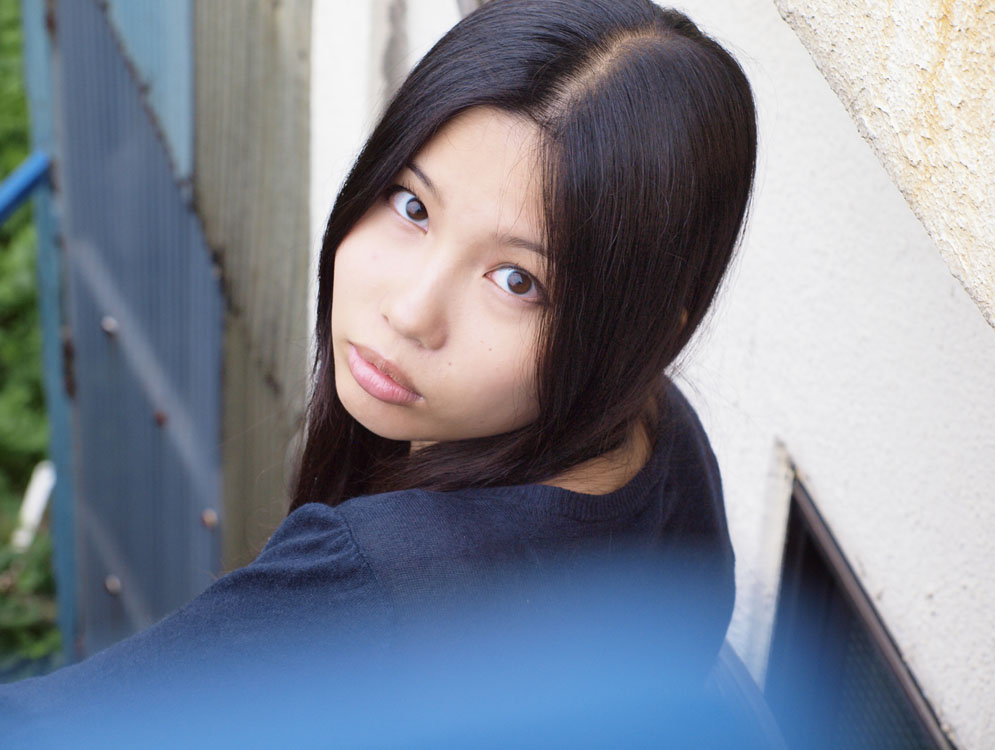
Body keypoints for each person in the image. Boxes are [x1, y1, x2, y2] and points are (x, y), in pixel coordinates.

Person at [2, 0, 757, 742]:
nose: (409, 310)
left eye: (518, 281)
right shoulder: (658, 438)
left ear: (644, 333)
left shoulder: (374, 588)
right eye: (412, 206)